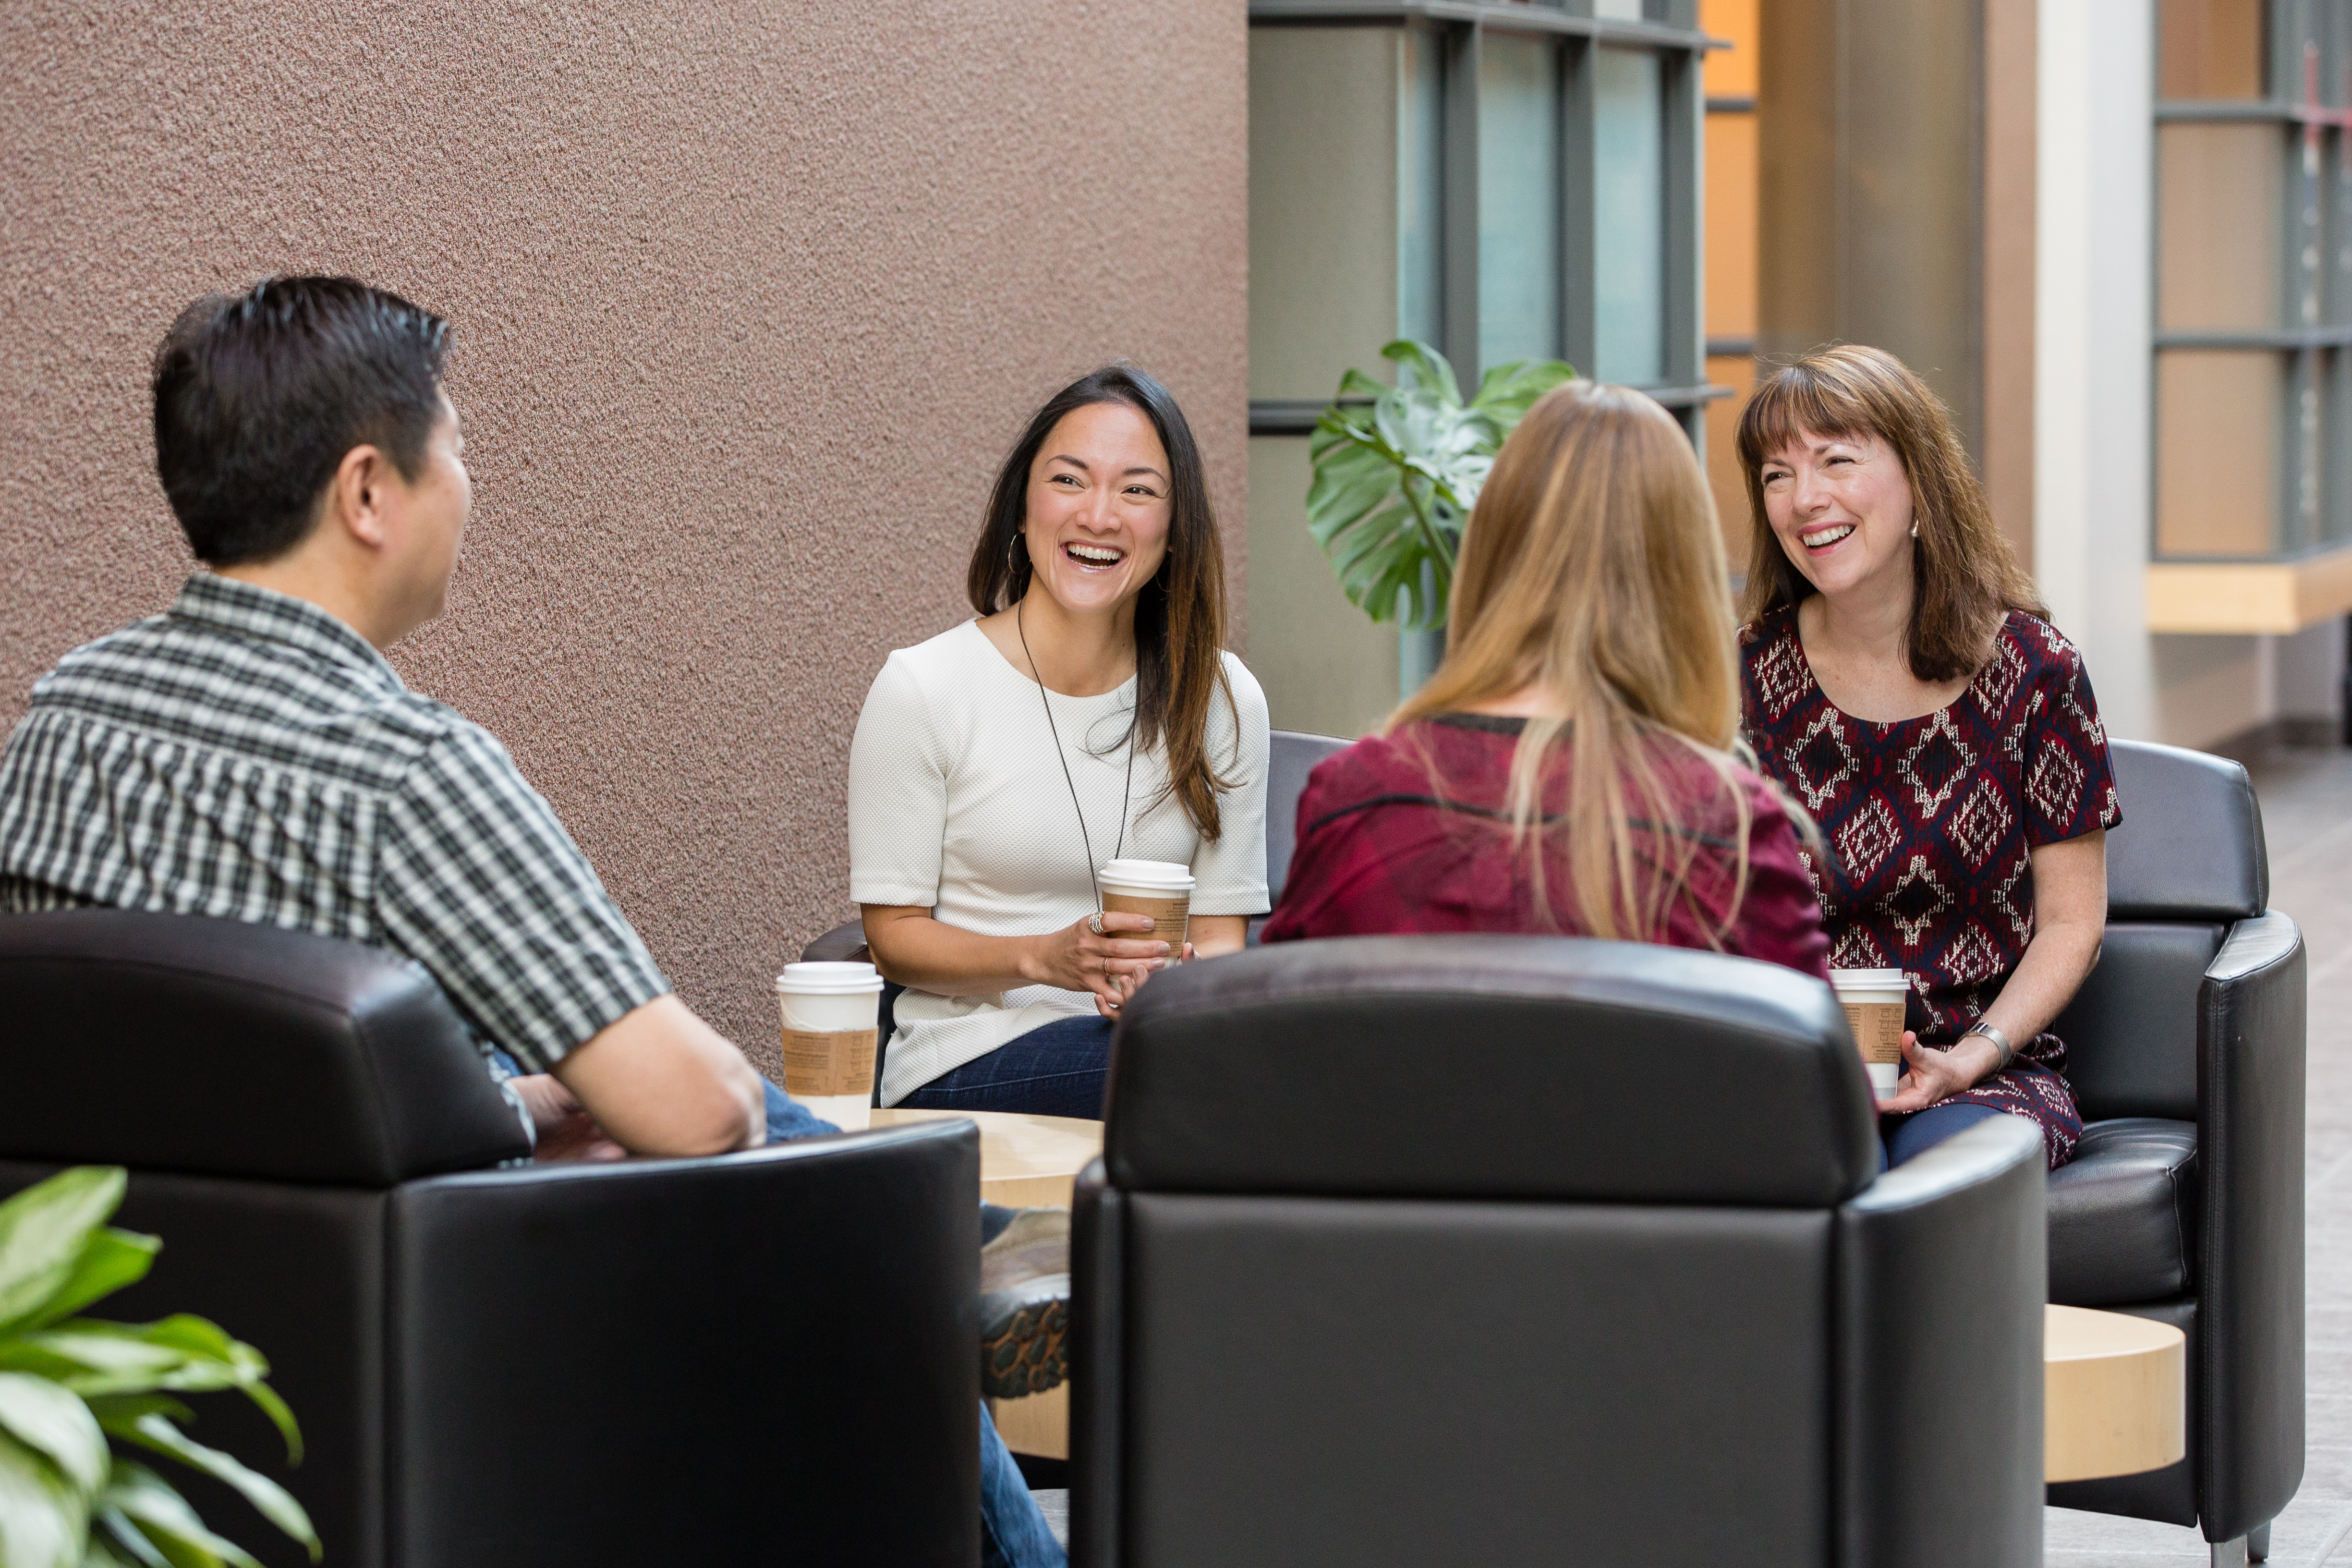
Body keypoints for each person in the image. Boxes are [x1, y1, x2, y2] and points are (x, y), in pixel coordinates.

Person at [0, 278, 1064, 1568]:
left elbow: (230, 1074)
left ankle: (955, 1259)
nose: (469, 482)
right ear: (368, 494)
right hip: (469, 1344)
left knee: (585, 1091)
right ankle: (950, 1282)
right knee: (775, 1138)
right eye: (453, 443)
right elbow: (692, 1114)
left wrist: (505, 1103)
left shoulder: (62, 715)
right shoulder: (407, 770)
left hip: (130, 1350)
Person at [1262, 380, 1828, 978]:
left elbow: (1278, 1046)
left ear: (1490, 551)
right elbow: (1808, 1066)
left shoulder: (1353, 801)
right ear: (1684, 583)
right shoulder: (1729, 835)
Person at [848, 366, 1270, 1117]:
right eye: (1070, 480)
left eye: (1138, 490)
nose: (1099, 516)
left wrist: (1177, 982)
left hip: (1155, 1044)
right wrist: (1045, 957)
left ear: (1176, 532)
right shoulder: (924, 687)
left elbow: (1219, 938)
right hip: (971, 1053)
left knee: (1256, 1067)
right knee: (1200, 1082)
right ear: (1022, 506)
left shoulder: (1222, 697)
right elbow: (893, 939)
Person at [1734, 344, 2118, 1171]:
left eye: (1836, 460)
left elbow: (2071, 923)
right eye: (1775, 474)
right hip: (1782, 1071)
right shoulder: (1739, 677)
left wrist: (1973, 1053)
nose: (1804, 499)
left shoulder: (2034, 669)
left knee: (1940, 1187)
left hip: (1980, 1074)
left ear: (1918, 479)